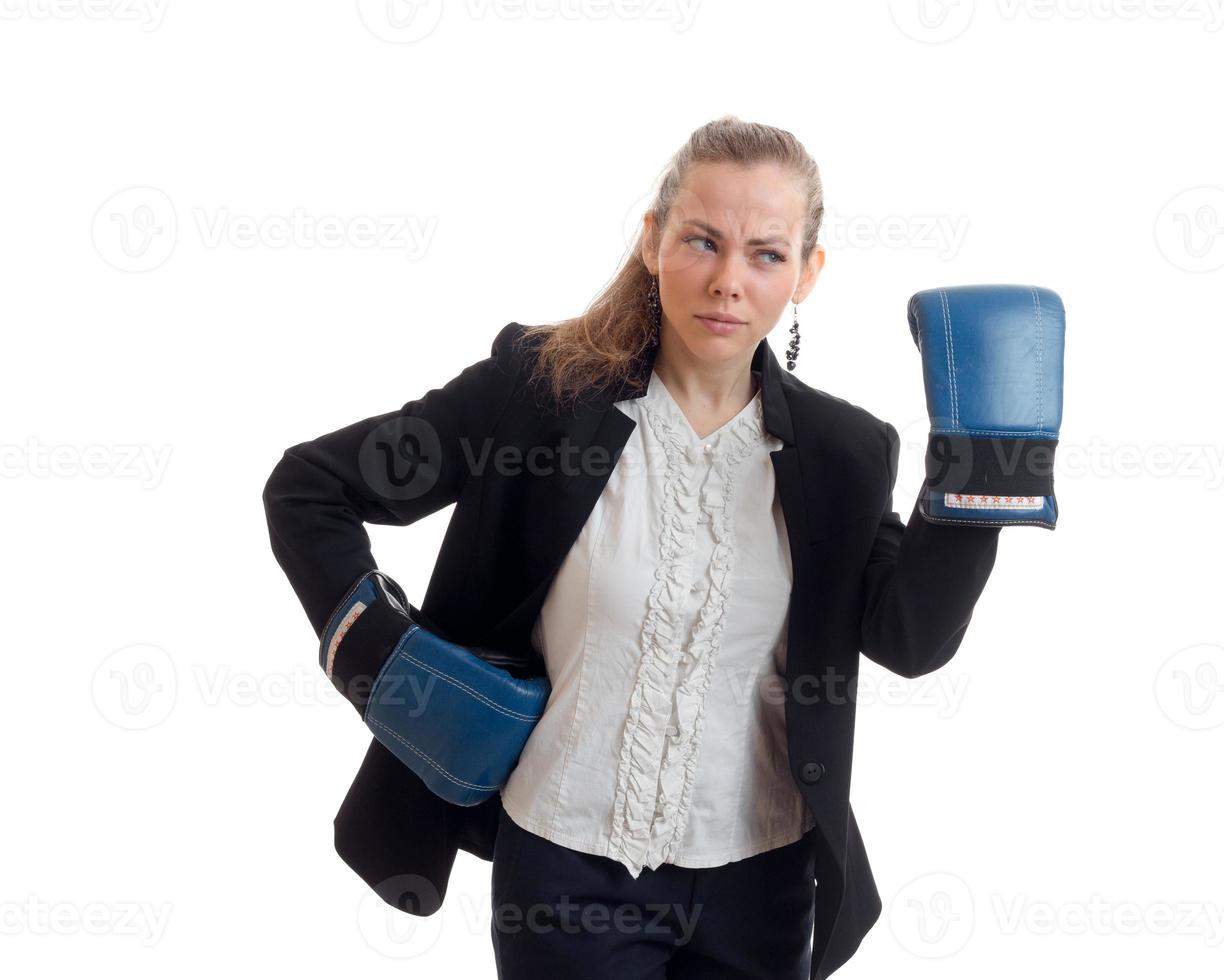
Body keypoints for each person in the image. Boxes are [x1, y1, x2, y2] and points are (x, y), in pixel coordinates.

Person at [263, 114, 1002, 979]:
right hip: (564, 874)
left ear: (808, 273)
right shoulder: (537, 393)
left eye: (767, 253)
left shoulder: (845, 454)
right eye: (702, 240)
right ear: (652, 241)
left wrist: (980, 473)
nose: (729, 280)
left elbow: (909, 640)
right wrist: (385, 661)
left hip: (763, 886)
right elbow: (309, 489)